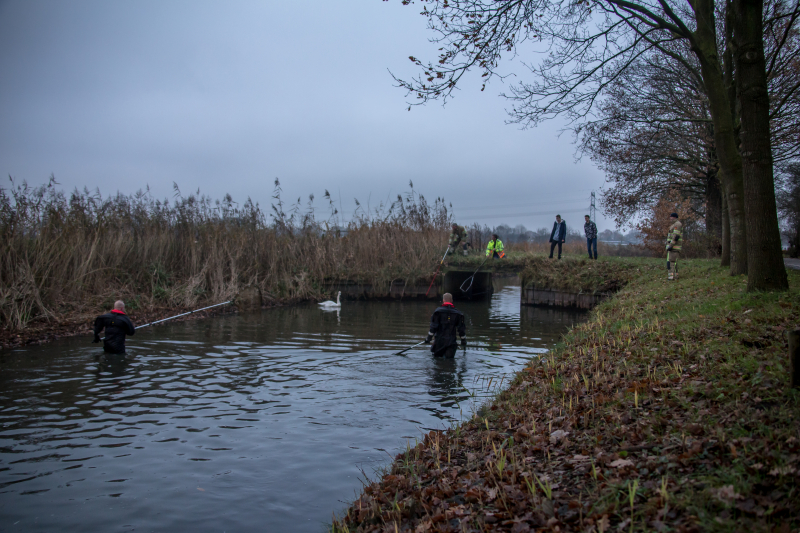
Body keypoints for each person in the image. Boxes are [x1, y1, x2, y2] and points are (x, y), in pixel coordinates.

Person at [425, 293, 466, 358]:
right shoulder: (458, 314)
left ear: (443, 300)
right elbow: (461, 329)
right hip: (451, 342)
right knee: (450, 361)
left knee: (437, 360)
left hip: (439, 342)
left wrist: (428, 338)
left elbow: (433, 327)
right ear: (452, 301)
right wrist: (463, 340)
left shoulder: (437, 312)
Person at [666, 212, 683, 280]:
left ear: (674, 217)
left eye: (671, 217)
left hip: (674, 247)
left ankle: (672, 277)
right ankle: (674, 276)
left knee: (672, 262)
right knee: (671, 262)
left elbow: (676, 236)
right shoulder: (673, 225)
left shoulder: (677, 224)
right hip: (672, 247)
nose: (670, 218)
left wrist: (671, 245)